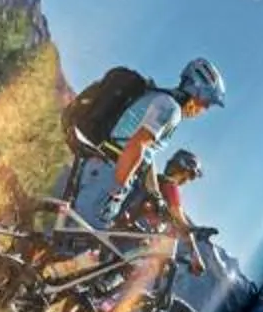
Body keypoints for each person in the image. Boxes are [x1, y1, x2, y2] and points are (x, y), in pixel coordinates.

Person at [67, 57, 226, 223]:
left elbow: (146, 155)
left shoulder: (158, 97)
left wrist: (155, 195)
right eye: (207, 102)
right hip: (110, 173)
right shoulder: (171, 109)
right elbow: (138, 144)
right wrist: (117, 190)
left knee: (74, 235)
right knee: (80, 239)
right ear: (197, 92)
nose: (205, 109)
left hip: (104, 166)